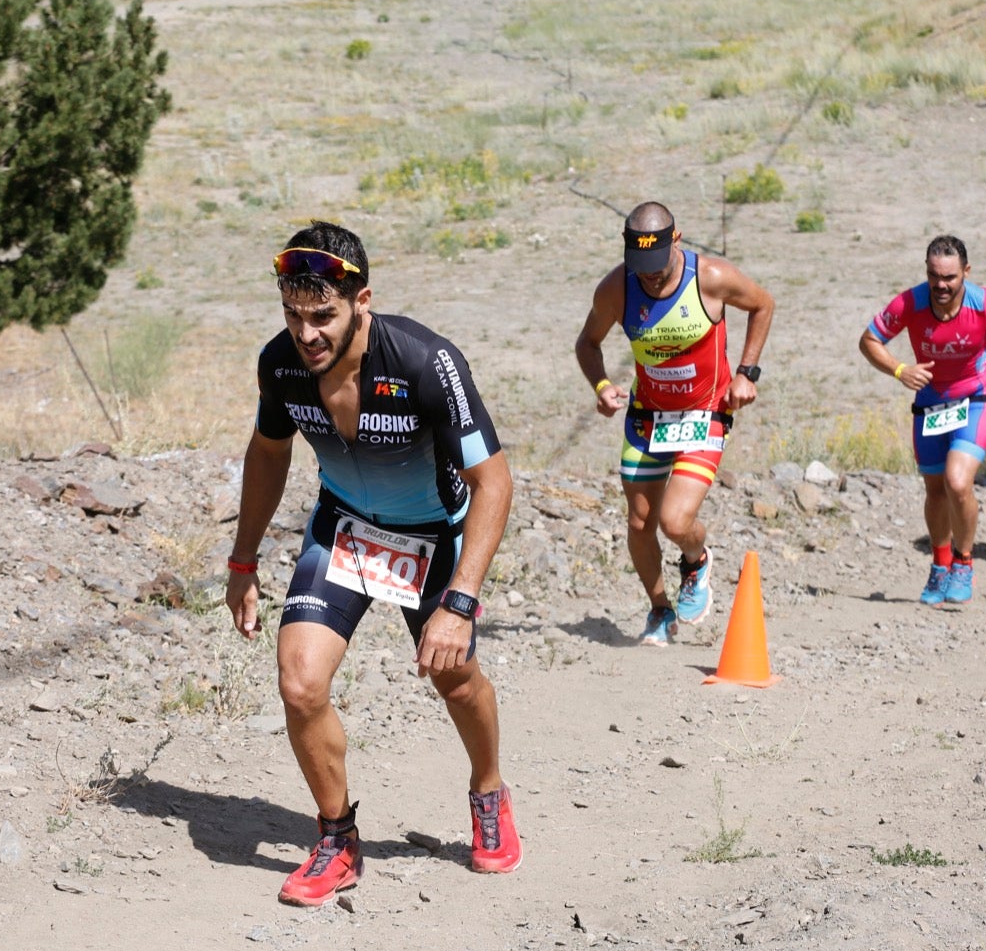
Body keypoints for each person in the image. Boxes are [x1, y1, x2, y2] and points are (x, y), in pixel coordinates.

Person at [225, 221, 521, 907]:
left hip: (432, 536)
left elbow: (495, 482)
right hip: (345, 529)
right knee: (300, 684)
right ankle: (337, 838)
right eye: (293, 315)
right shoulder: (280, 364)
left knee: (455, 681)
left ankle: (488, 789)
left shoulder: (424, 361)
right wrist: (242, 562)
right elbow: (268, 452)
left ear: (363, 302)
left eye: (322, 316)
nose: (307, 334)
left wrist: (460, 602)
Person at [574, 202, 775, 646]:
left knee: (675, 521)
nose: (648, 275)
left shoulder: (711, 278)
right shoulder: (616, 288)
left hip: (705, 413)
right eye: (639, 265)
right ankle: (660, 609)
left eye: (657, 264)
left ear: (676, 240)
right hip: (647, 418)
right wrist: (601, 385)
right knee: (639, 522)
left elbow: (763, 305)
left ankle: (696, 560)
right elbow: (587, 343)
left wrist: (747, 373)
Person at [859, 235, 986, 606]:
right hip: (931, 402)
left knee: (958, 482)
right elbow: (869, 341)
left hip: (976, 396)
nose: (940, 285)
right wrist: (900, 370)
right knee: (935, 490)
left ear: (966, 272)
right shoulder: (910, 303)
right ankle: (940, 565)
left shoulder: (984, 302)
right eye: (934, 276)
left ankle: (963, 562)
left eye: (949, 278)